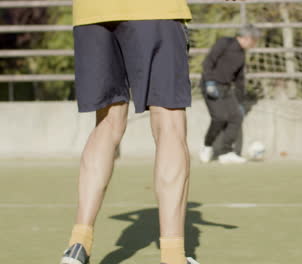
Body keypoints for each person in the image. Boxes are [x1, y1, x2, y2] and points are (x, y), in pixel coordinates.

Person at [60, 1, 241, 264]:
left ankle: (78, 245)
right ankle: (173, 256)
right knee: (169, 124)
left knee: (106, 124)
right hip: (154, 8)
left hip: (93, 12)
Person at [199, 24, 261, 164]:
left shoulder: (241, 54)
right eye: (254, 40)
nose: (254, 44)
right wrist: (209, 82)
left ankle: (225, 152)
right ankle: (207, 146)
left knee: (236, 117)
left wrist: (239, 101)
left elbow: (239, 79)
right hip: (211, 86)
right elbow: (208, 62)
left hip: (226, 88)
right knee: (219, 118)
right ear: (247, 38)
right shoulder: (224, 43)